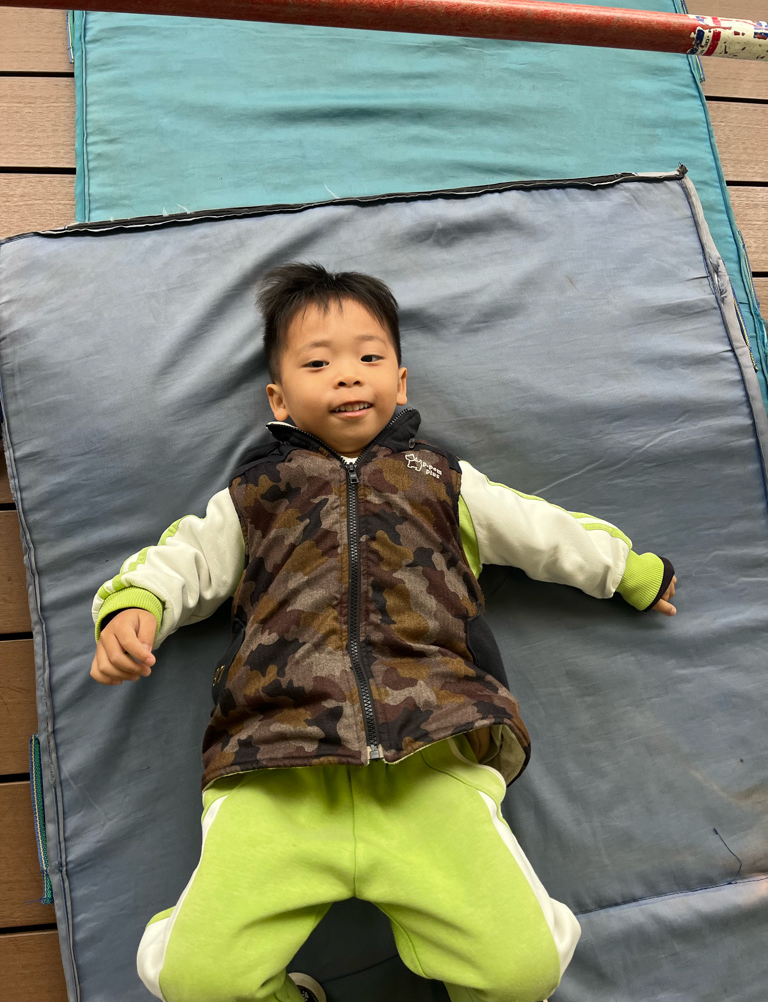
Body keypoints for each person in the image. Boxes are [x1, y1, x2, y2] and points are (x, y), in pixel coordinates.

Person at [90, 263, 677, 1002]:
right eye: (317, 363)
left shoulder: (443, 480)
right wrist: (135, 605)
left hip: (429, 761)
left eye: (368, 357)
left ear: (400, 383)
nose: (346, 375)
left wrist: (628, 571)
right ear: (278, 398)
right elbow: (183, 559)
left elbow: (543, 530)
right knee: (196, 981)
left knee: (522, 973)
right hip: (277, 768)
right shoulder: (253, 496)